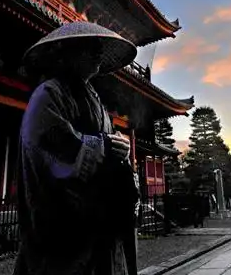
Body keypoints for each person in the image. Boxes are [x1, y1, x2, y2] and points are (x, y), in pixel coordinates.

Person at [12, 21, 141, 275]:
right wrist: (104, 146)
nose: (98, 54)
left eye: (99, 48)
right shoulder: (48, 94)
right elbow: (50, 144)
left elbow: (108, 139)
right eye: (90, 47)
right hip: (64, 226)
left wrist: (121, 148)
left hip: (102, 226)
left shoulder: (95, 99)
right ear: (69, 53)